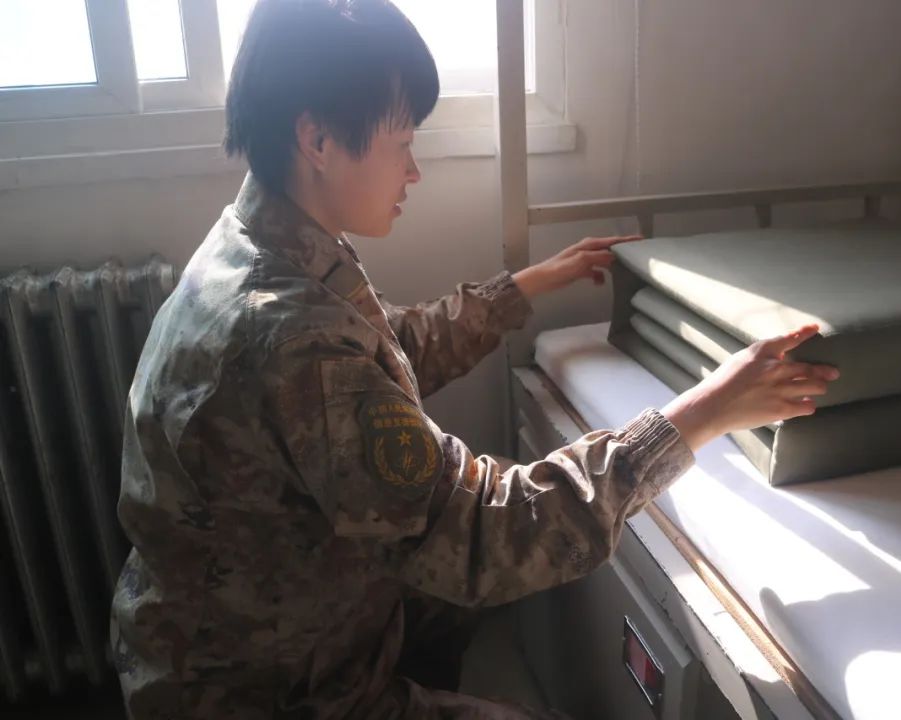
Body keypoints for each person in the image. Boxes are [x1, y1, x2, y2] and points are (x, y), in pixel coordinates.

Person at [109, 1, 839, 718]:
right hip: (270, 694)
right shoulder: (291, 334)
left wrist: (526, 286)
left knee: (441, 612)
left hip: (246, 633)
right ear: (318, 139)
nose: (414, 171)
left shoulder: (259, 248)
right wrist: (702, 413)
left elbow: (387, 355)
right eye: (402, 142)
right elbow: (484, 538)